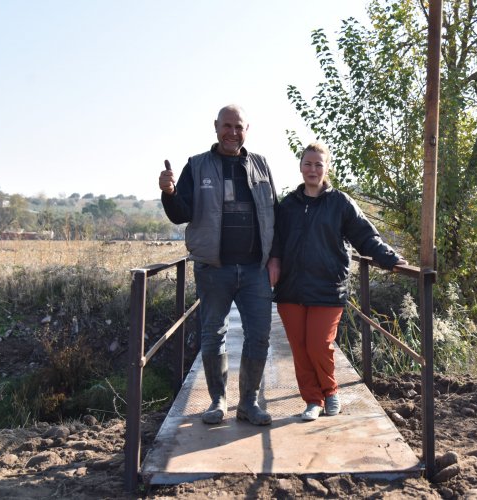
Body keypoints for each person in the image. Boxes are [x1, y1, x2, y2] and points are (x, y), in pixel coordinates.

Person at [268, 142, 407, 421]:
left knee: (319, 345)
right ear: (300, 167)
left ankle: (331, 393)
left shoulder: (340, 202)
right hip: (290, 289)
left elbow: (365, 236)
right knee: (299, 348)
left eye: (318, 164)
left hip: (328, 287)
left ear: (327, 168)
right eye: (308, 164)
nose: (312, 169)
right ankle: (312, 400)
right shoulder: (288, 205)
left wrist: (389, 258)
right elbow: (276, 243)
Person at [158, 104, 278, 426]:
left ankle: (249, 403)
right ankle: (218, 401)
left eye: (239, 127)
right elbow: (180, 212)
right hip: (214, 269)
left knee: (260, 336)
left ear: (246, 130)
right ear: (215, 127)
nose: (233, 133)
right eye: (227, 126)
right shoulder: (197, 166)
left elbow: (273, 214)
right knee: (213, 334)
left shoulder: (261, 164)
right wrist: (168, 191)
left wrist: (275, 258)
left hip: (255, 269)